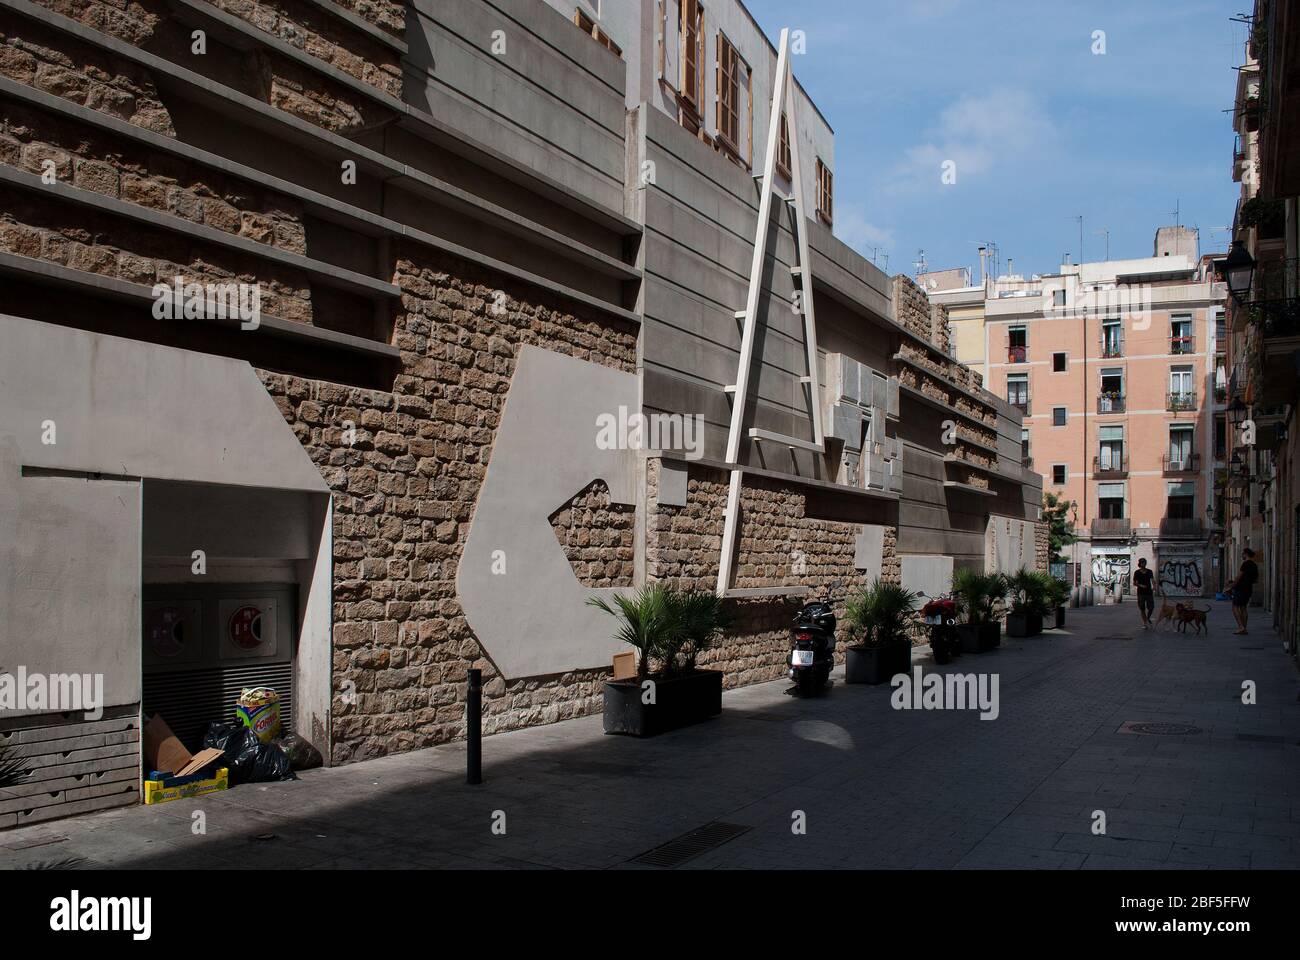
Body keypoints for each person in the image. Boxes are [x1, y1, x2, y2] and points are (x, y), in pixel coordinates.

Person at [1226, 548, 1259, 635]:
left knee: (1235, 607)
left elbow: (1238, 577)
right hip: (1248, 589)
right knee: (1243, 607)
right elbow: (1256, 580)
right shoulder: (1254, 565)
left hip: (1241, 589)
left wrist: (1231, 587)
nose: (1242, 555)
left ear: (1246, 554)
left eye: (1242, 554)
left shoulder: (1245, 564)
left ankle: (1241, 627)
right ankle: (1244, 628)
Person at [1133, 558, 1155, 629]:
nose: (1143, 564)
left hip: (1149, 592)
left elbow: (1152, 580)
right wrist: (1140, 585)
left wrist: (1154, 586)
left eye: (1144, 562)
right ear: (1139, 564)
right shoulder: (1137, 572)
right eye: (1142, 562)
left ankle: (1148, 618)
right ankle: (1145, 623)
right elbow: (1134, 583)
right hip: (1140, 593)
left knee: (1151, 608)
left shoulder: (1149, 571)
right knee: (1142, 609)